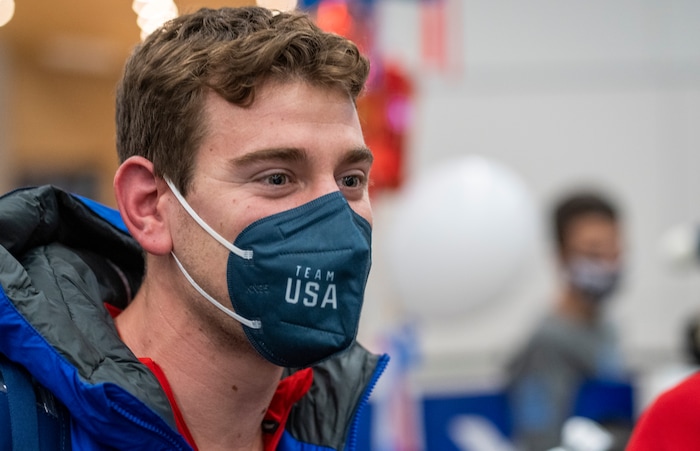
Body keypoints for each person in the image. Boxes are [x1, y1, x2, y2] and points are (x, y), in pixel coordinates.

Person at [0, 6, 388, 450]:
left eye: (350, 180)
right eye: (277, 177)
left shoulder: (331, 426)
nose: (334, 217)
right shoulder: (18, 420)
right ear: (149, 207)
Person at [506, 191, 628, 450]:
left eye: (614, 250)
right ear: (561, 255)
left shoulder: (608, 330)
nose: (607, 263)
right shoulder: (547, 343)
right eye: (594, 252)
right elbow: (539, 440)